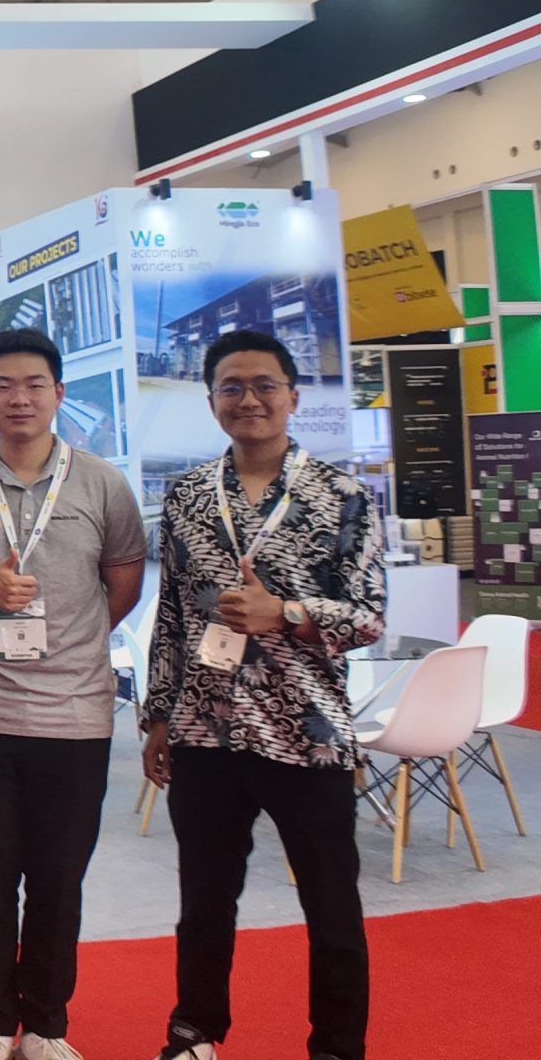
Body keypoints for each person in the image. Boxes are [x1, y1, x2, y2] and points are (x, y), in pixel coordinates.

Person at [144, 329, 384, 1060]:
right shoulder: (188, 496)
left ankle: (336, 1047)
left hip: (307, 733)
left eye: (264, 385)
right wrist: (158, 717)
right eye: (231, 387)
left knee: (332, 908)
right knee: (204, 904)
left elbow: (369, 615)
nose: (248, 399)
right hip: (205, 731)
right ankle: (194, 1034)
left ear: (293, 397)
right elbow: (172, 615)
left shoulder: (343, 496)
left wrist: (287, 612)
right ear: (212, 400)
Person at [0, 331, 145, 1060]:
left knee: (57, 883)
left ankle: (46, 1027)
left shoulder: (102, 483)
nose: (19, 399)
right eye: (3, 385)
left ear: (58, 393)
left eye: (34, 384)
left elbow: (121, 583)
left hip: (75, 717)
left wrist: (74, 643)